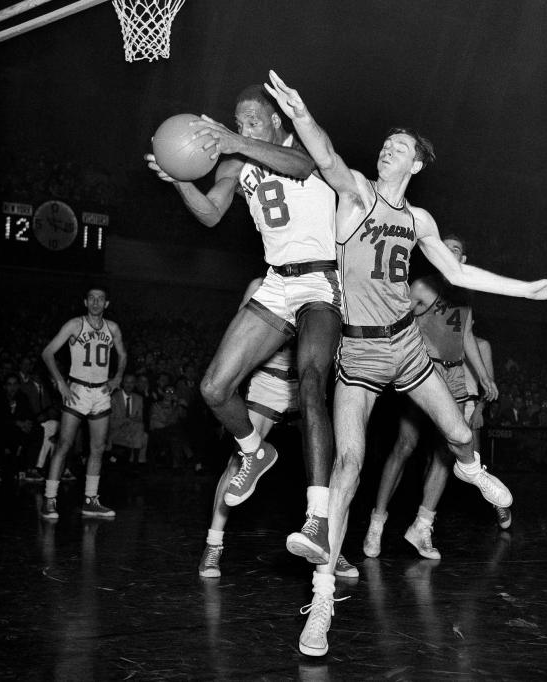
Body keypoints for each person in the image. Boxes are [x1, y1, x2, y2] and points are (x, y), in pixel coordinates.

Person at [264, 70, 547, 657]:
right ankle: (323, 597)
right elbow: (325, 156)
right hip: (357, 349)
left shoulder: (419, 221)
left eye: (399, 148)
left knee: (460, 432)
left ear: (417, 164)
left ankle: (470, 468)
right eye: (386, 144)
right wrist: (301, 115)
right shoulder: (356, 191)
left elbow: (458, 275)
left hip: (406, 344)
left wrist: (526, 289)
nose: (387, 150)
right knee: (348, 465)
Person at [145, 84, 341, 553]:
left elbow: (303, 167)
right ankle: (255, 451)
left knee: (311, 381)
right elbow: (211, 214)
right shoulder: (235, 161)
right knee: (214, 388)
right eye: (238, 120)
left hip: (319, 282)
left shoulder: (302, 144)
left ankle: (317, 518)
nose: (241, 126)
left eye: (252, 119)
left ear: (276, 121)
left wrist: (238, 141)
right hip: (276, 283)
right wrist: (180, 179)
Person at [197, 279, 357, 580]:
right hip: (270, 379)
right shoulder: (261, 285)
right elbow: (244, 342)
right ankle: (213, 544)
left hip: (308, 381)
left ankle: (331, 547)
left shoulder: (329, 282)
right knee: (241, 458)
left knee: (329, 464)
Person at [362, 235, 507, 562]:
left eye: (455, 249)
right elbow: (393, 319)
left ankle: (422, 525)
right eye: (444, 248)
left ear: (463, 259)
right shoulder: (424, 286)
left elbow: (466, 335)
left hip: (455, 376)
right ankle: (377, 522)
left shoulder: (466, 295)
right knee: (405, 445)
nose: (448, 253)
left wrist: (483, 376)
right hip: (423, 371)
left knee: (449, 451)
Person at [39, 287, 127, 520]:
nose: (96, 302)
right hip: (77, 389)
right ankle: (49, 499)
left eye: (100, 299)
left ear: (106, 304)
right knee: (64, 445)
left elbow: (123, 355)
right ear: (85, 302)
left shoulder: (113, 328)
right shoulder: (74, 325)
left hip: (101, 393)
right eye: (92, 298)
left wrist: (117, 377)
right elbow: (47, 353)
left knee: (98, 448)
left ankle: (90, 501)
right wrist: (60, 382)